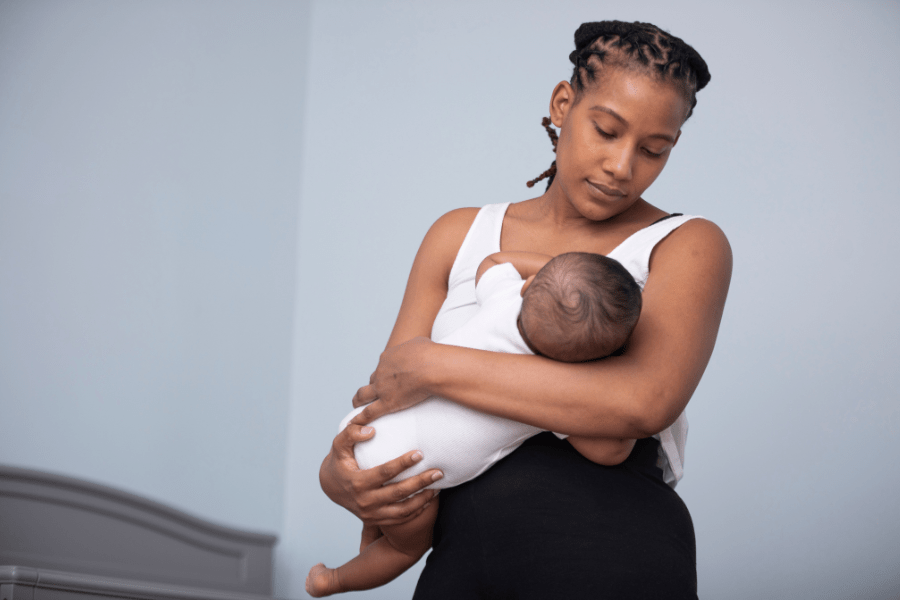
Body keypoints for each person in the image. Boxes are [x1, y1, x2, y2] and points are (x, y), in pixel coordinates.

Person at [318, 20, 732, 599]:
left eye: (653, 149)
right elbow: (391, 389)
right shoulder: (460, 235)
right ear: (563, 104)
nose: (622, 165)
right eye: (606, 130)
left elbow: (642, 402)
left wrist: (437, 366)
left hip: (610, 552)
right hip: (460, 563)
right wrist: (340, 477)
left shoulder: (686, 244)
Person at [306, 250, 642, 597]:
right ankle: (332, 581)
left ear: (527, 286)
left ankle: (365, 539)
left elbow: (492, 263)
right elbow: (611, 450)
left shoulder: (505, 297)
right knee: (404, 549)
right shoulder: (549, 392)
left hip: (365, 426)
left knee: (386, 519)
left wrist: (546, 274)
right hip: (406, 474)